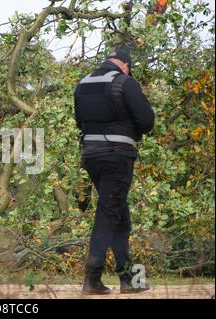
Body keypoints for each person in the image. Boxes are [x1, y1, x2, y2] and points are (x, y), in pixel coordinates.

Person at [73, 46, 155, 294]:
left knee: (119, 215)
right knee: (108, 214)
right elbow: (147, 121)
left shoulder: (83, 83)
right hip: (116, 156)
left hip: (90, 155)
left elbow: (80, 121)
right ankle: (92, 278)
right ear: (125, 65)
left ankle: (130, 279)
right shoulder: (124, 82)